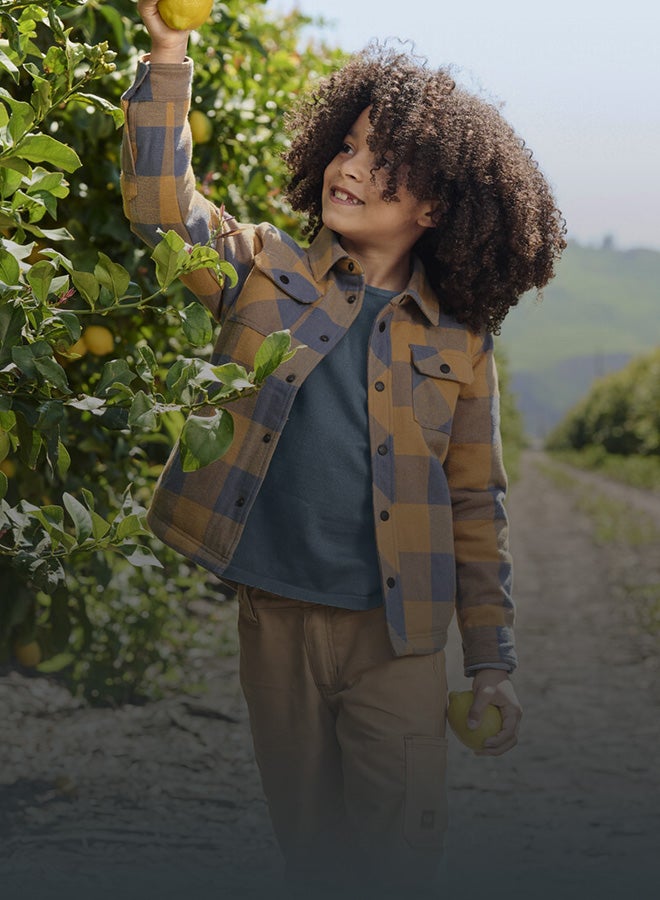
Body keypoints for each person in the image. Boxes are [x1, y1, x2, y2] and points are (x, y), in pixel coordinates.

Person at [121, 2, 565, 897]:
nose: (350, 168)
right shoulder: (263, 269)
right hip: (274, 618)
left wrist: (490, 664)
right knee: (312, 850)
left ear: (437, 207)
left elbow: (477, 508)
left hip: (395, 638)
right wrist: (169, 50)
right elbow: (161, 210)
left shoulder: (460, 345)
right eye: (348, 145)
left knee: (398, 855)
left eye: (384, 164)